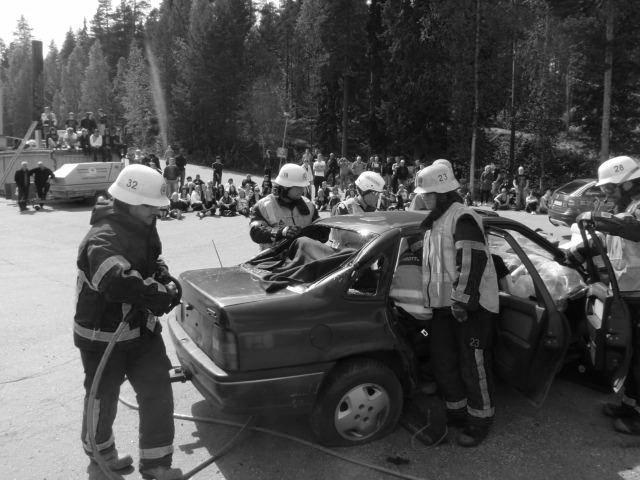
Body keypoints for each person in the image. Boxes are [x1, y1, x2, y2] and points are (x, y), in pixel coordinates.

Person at [74, 164, 182, 479]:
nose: (158, 213)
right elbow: (116, 280)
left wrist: (162, 273)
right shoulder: (102, 236)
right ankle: (100, 456)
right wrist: (159, 294)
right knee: (102, 396)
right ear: (132, 202)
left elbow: (151, 259)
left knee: (157, 389)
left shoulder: (142, 224)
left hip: (141, 330)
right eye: (153, 207)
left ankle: (156, 465)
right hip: (103, 336)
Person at [413, 161, 499, 447]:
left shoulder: (462, 217)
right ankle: (457, 412)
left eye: (427, 194)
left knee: (472, 366)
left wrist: (461, 301)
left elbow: (472, 260)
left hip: (469, 309)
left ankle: (480, 421)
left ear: (442, 193)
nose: (422, 198)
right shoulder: (436, 221)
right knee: (444, 361)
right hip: (443, 309)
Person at [564, 156, 640, 435]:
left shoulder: (634, 210)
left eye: (610, 188)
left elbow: (633, 229)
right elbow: (606, 244)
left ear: (629, 183)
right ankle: (630, 405)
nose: (606, 193)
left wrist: (599, 218)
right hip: (628, 292)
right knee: (631, 355)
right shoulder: (623, 207)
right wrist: (575, 253)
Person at [249, 163, 318, 250]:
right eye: (298, 187)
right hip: (273, 260)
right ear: (285, 187)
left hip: (303, 259)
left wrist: (319, 231)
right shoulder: (263, 206)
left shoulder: (309, 205)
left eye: (303, 186)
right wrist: (281, 232)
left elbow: (321, 235)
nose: (302, 190)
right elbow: (256, 232)